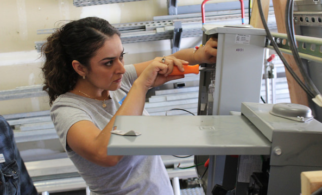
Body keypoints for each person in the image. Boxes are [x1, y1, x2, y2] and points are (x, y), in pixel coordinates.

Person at [41, 17, 217, 195]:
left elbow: (170, 60)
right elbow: (106, 154)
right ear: (80, 68)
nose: (121, 68)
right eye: (108, 62)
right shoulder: (67, 110)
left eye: (121, 57)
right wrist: (140, 86)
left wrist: (199, 55)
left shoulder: (116, 82)